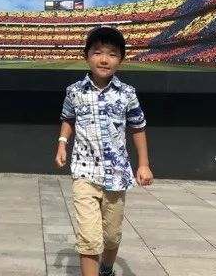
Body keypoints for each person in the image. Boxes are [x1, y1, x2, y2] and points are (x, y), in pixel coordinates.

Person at [55, 26, 153, 276]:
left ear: (121, 59)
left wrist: (143, 164)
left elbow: (138, 127)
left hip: (116, 176)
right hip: (84, 173)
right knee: (89, 238)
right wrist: (62, 143)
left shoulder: (127, 93)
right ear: (86, 56)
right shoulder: (75, 91)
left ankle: (106, 269)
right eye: (97, 52)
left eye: (112, 54)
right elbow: (68, 119)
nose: (104, 59)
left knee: (111, 236)